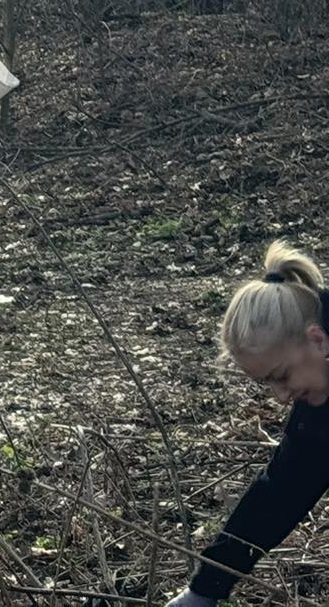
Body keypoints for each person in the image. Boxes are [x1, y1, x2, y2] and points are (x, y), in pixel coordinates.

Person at [169, 241, 329, 606]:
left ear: (317, 340)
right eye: (267, 383)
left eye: (282, 376)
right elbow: (278, 495)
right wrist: (203, 590)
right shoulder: (318, 411)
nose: (281, 397)